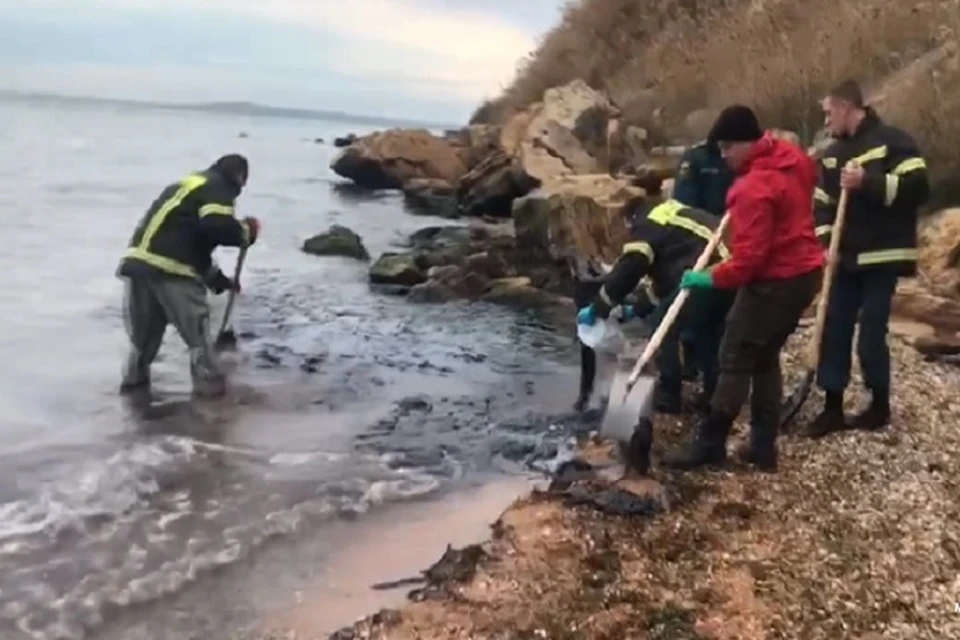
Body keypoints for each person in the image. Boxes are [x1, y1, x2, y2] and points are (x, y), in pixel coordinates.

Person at [663, 105, 824, 472]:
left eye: (727, 148)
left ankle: (710, 443)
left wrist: (707, 277)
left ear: (747, 143)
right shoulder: (793, 158)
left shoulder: (751, 189)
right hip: (805, 275)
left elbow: (748, 262)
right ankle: (763, 448)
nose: (723, 157)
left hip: (774, 282)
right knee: (765, 356)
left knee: (734, 355)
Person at [807, 80, 930, 438]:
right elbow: (821, 204)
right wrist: (826, 242)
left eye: (830, 112)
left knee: (872, 334)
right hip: (845, 257)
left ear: (848, 107)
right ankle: (832, 405)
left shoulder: (895, 141)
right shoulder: (832, 154)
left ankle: (879, 405)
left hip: (883, 253)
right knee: (835, 328)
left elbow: (918, 188)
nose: (827, 120)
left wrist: (868, 182)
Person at [576, 194, 735, 415]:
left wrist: (599, 306)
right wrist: (633, 309)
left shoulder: (648, 222)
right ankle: (715, 396)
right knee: (708, 333)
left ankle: (669, 395)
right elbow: (667, 284)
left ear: (630, 219)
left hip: (708, 270)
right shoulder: (671, 217)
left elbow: (632, 267)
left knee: (661, 324)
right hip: (728, 271)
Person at [116, 154, 260, 398]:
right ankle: (211, 411)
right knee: (200, 343)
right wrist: (246, 231)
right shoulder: (218, 185)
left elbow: (191, 243)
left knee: (142, 346)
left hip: (138, 266)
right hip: (173, 270)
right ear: (239, 178)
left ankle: (133, 410)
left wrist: (220, 282)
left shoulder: (186, 187)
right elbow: (216, 225)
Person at [669, 138, 736, 383]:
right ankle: (691, 359)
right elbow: (683, 202)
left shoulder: (739, 158)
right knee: (695, 297)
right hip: (699, 238)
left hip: (731, 235)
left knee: (721, 304)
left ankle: (715, 371)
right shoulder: (696, 158)